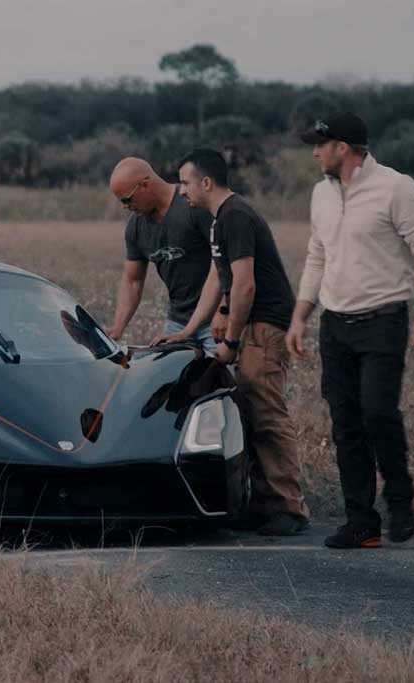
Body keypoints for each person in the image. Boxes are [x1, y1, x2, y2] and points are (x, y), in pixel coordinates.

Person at [287, 112, 414, 549]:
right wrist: (301, 315)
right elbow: (318, 255)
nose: (314, 152)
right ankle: (362, 522)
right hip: (335, 324)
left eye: (320, 144)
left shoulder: (395, 187)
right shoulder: (321, 194)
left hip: (383, 319)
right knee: (345, 424)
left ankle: (400, 497)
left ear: (343, 147)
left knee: (378, 412)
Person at [171, 148, 310, 536]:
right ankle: (263, 504)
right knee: (246, 411)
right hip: (250, 323)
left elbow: (246, 283)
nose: (181, 191)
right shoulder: (218, 221)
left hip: (265, 325)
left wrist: (231, 338)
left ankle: (289, 508)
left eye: (184, 182)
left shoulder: (235, 216)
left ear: (206, 182)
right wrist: (192, 328)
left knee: (266, 413)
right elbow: (223, 280)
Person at [107, 157, 217, 352]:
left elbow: (226, 263)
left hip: (215, 318)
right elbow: (132, 280)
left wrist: (225, 313)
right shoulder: (135, 227)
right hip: (178, 322)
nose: (125, 206)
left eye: (127, 199)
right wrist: (117, 328)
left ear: (145, 185)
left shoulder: (193, 205)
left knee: (230, 377)